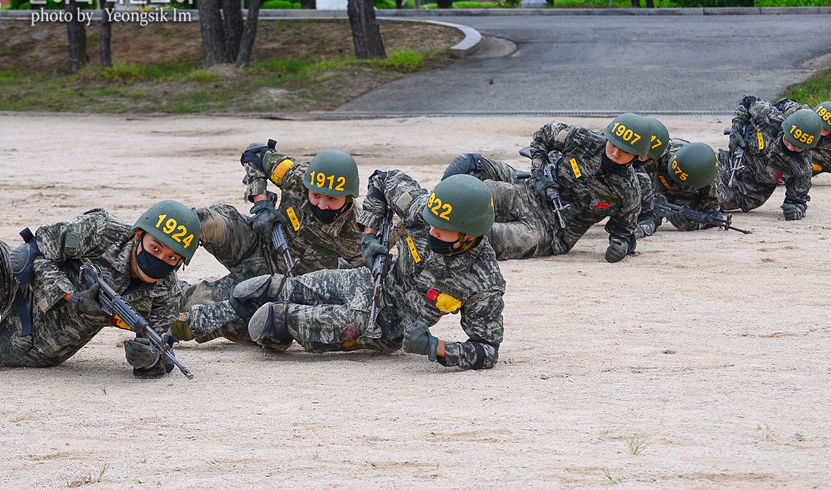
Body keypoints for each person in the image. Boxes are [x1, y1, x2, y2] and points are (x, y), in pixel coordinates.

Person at [181, 173, 506, 370]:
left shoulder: (484, 280)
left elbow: (487, 349)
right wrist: (370, 235)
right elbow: (382, 179)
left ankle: (274, 334)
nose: (432, 232)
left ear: (469, 234)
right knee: (262, 288)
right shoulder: (424, 211)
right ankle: (183, 328)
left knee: (271, 319)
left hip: (382, 325)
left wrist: (435, 347)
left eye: (443, 231)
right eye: (431, 225)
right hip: (369, 279)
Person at [0, 201, 199, 378]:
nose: (160, 260)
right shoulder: (102, 231)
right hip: (20, 287)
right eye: (155, 248)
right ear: (139, 236)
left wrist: (148, 360)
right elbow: (37, 250)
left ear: (181, 262)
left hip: (35, 342)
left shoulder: (166, 292)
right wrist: (71, 296)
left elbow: (160, 349)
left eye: (172, 258)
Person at [444, 113, 651, 263]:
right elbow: (544, 134)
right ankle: (424, 215)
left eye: (624, 151)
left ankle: (438, 242)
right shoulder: (584, 140)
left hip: (550, 232)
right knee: (469, 195)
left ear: (636, 156)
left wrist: (620, 246)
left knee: (490, 238)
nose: (615, 152)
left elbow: (623, 230)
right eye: (613, 144)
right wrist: (538, 172)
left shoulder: (629, 191)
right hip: (527, 193)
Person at [179, 146, 364, 313]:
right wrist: (261, 204)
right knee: (196, 222)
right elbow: (255, 155)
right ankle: (155, 265)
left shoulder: (358, 236)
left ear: (349, 197)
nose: (322, 205)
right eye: (315, 195)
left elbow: (355, 290)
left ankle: (162, 294)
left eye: (332, 199)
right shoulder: (296, 176)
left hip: (271, 290)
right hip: (254, 242)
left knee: (191, 302)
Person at [716, 96, 823, 220]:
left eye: (797, 147)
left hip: (746, 192)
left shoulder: (802, 167)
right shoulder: (770, 118)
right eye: (788, 140)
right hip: (728, 162)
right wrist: (736, 129)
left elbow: (797, 200)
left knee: (711, 198)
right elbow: (747, 103)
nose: (790, 146)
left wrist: (794, 209)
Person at [635, 140, 721, 236]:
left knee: (729, 199)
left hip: (685, 199)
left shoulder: (708, 179)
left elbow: (713, 214)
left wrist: (695, 225)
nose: (680, 185)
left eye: (685, 184)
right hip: (655, 183)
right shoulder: (661, 154)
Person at [774, 99, 831, 189]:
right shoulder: (796, 114)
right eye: (816, 122)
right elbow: (779, 104)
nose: (817, 129)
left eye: (824, 129)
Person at [633, 118, 671, 237]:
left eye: (643, 155)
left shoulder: (641, 178)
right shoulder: (593, 146)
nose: (638, 158)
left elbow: (647, 217)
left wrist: (640, 231)